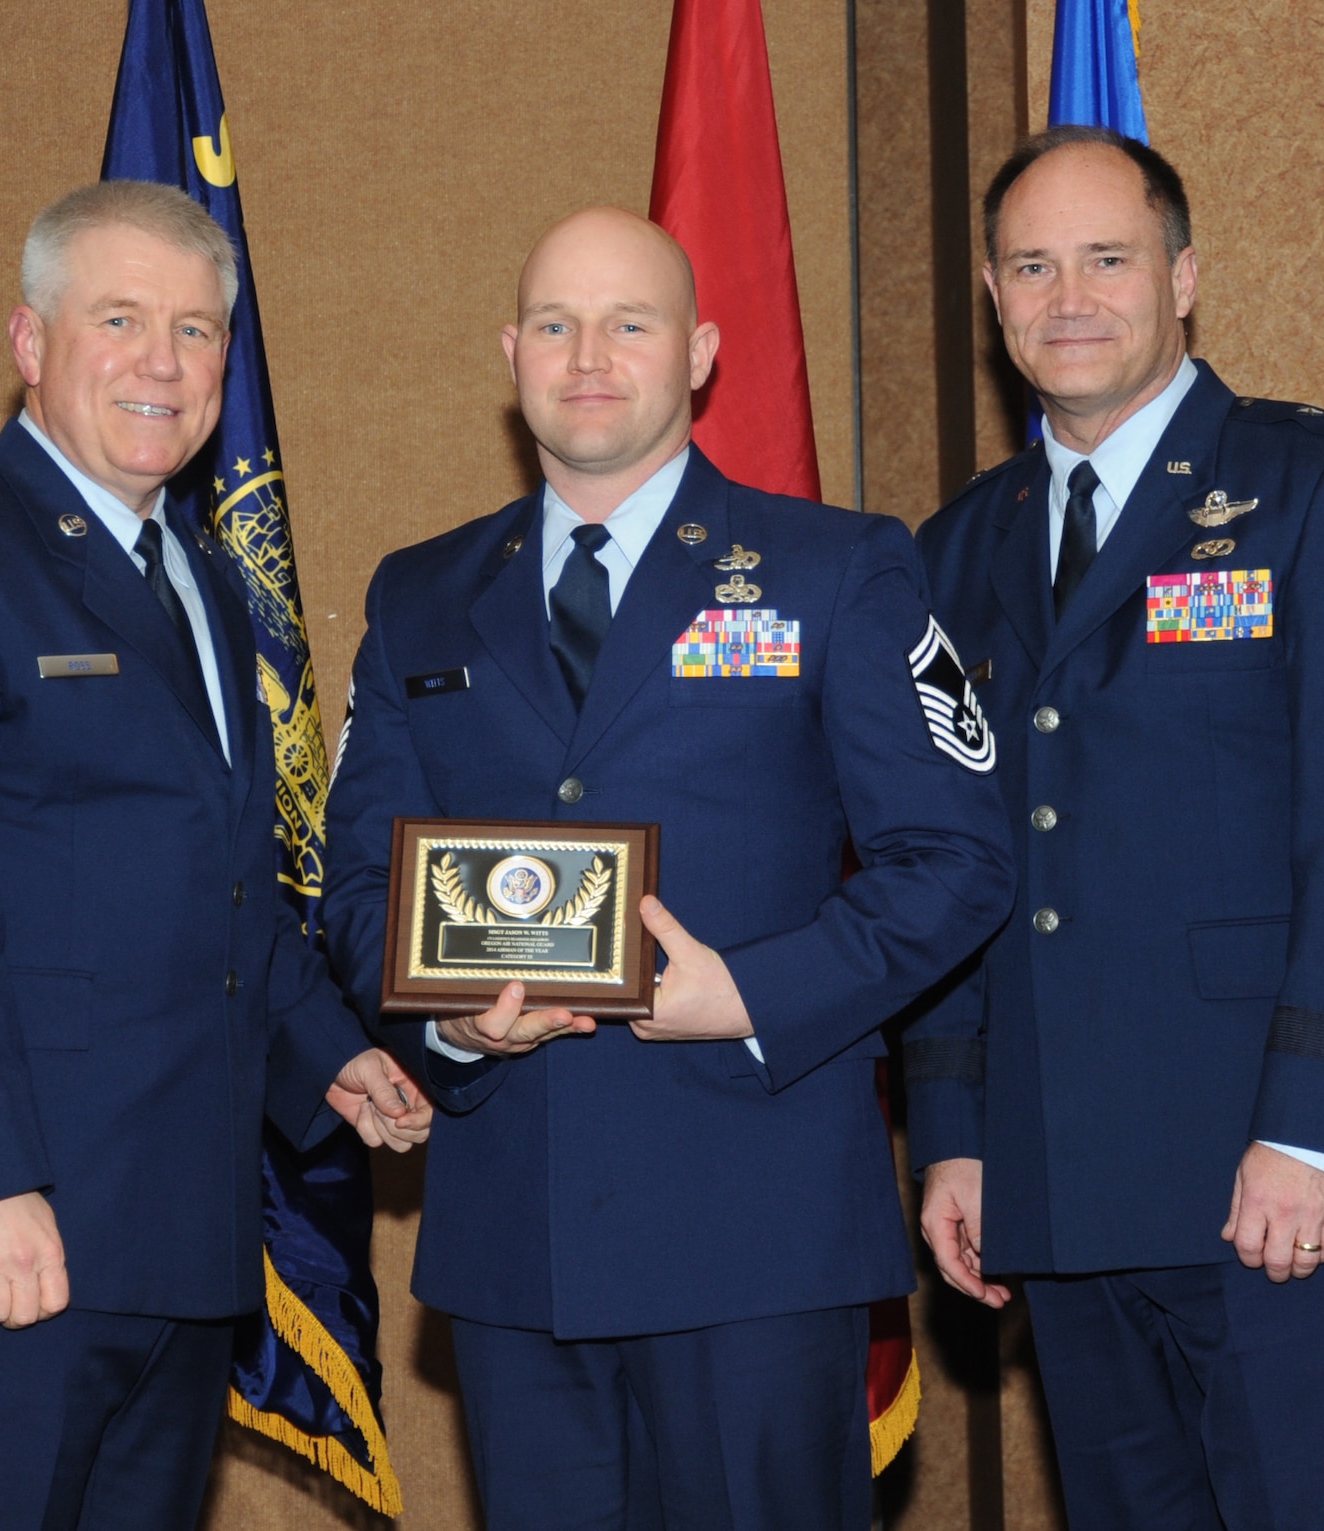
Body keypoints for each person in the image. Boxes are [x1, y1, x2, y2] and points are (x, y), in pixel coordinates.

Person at [320, 206, 1015, 1530]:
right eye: (557, 324)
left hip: (754, 1228)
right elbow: (358, 887)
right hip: (516, 1244)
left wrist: (750, 994)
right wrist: (449, 1024)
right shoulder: (420, 592)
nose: (591, 354)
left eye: (629, 323)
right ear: (509, 351)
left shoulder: (838, 569)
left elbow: (957, 858)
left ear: (697, 352)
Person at [0, 180, 429, 1531]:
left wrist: (328, 1053)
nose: (164, 362)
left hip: (175, 1238)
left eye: (198, 332)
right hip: (0, 1242)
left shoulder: (203, 579)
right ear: (31, 341)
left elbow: (223, 885)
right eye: (123, 319)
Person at [907, 127, 1324, 1530]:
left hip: (1267, 1177)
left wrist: (1320, 1137)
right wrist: (960, 1134)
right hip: (1061, 1178)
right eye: (1033, 265)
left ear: (1185, 276)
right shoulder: (952, 549)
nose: (1069, 296)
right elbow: (955, 859)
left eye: (1109, 257)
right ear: (992, 292)